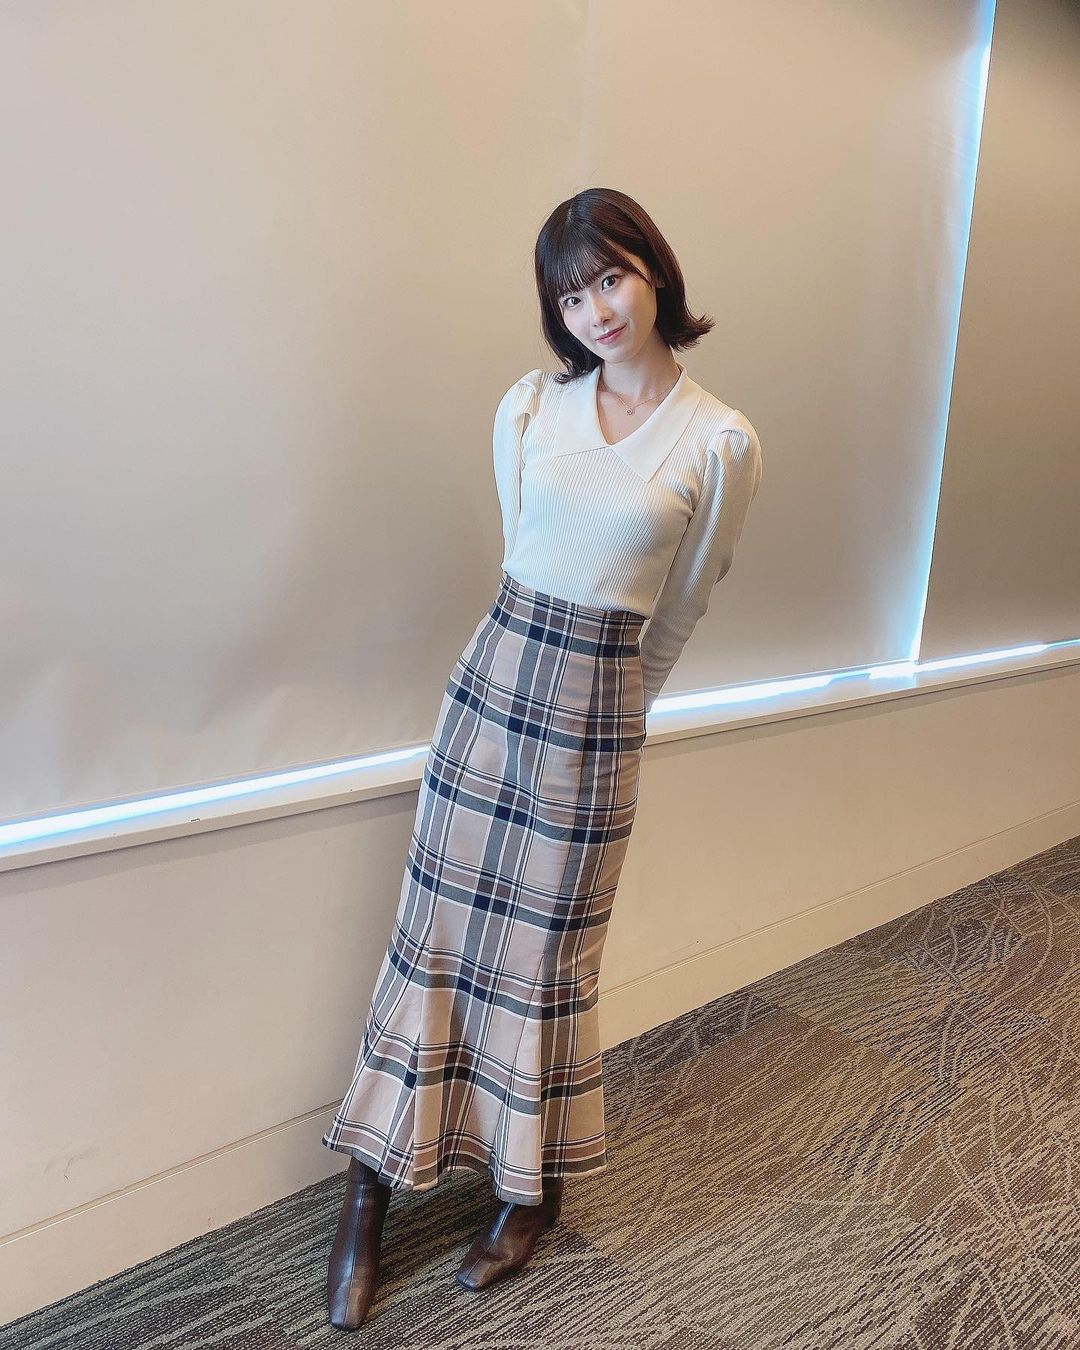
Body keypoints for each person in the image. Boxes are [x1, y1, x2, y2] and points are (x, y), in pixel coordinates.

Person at [322, 187, 764, 1329]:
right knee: (430, 938)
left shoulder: (719, 441)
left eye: (611, 277)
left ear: (654, 271)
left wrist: (612, 712)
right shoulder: (530, 407)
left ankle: (532, 1195)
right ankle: (366, 1192)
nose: (596, 310)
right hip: (490, 693)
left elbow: (681, 607)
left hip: (596, 718)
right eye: (571, 296)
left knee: (549, 964)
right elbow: (523, 556)